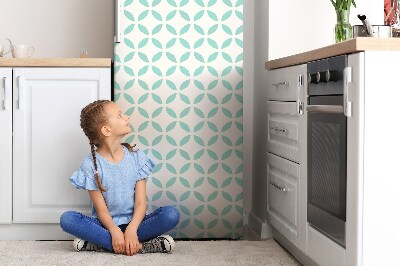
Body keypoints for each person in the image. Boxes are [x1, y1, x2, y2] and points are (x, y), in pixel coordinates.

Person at [60, 100, 180, 256]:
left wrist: (132, 229)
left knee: (171, 214)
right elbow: (102, 210)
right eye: (119, 115)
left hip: (137, 223)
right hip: (106, 225)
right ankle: (141, 246)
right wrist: (114, 230)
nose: (127, 117)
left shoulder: (136, 157)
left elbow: (140, 203)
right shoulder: (90, 165)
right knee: (67, 219)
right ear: (106, 130)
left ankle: (104, 244)